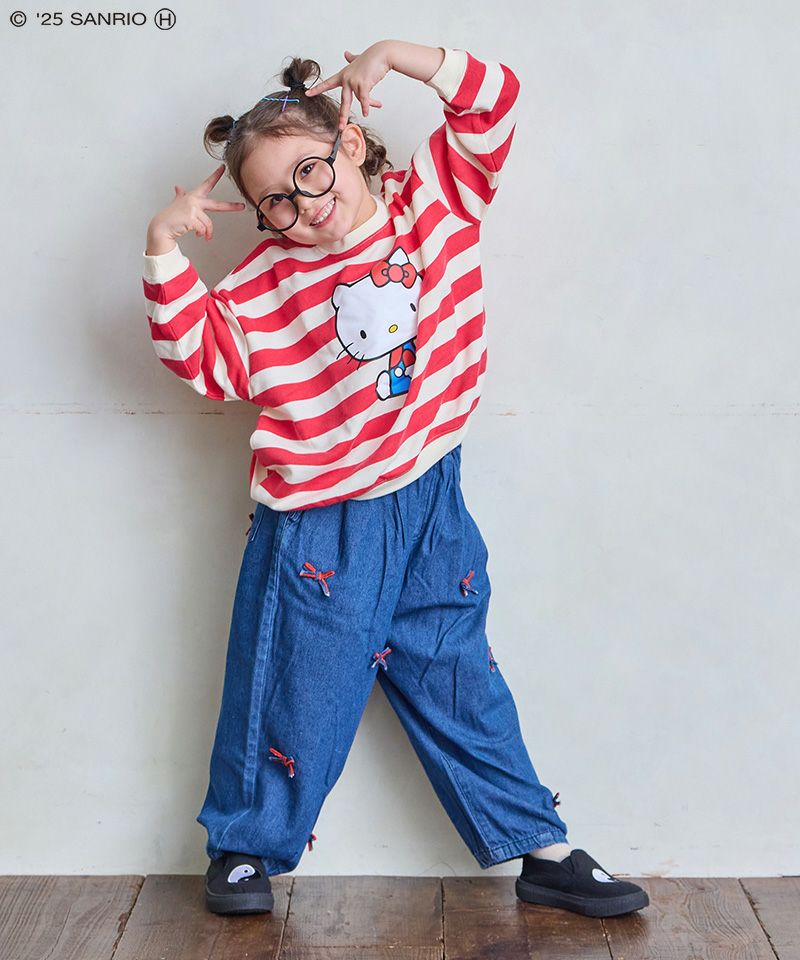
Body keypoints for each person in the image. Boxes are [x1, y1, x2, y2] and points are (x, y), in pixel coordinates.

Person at [142, 39, 649, 920]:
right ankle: (243, 849)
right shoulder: (262, 285)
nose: (304, 206)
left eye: (311, 171)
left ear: (349, 143)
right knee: (296, 684)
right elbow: (204, 361)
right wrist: (162, 248)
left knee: (460, 675)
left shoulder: (436, 200)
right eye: (275, 201)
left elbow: (494, 102)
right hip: (322, 520)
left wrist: (396, 56)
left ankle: (539, 849)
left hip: (431, 496)